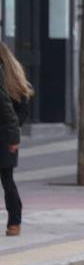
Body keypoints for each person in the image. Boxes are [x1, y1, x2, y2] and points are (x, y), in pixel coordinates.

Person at [0, 42, 34, 236]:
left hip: (7, 135)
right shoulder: (15, 76)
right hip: (9, 136)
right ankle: (14, 222)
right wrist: (14, 131)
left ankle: (15, 221)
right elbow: (23, 110)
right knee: (7, 179)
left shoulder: (5, 77)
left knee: (7, 180)